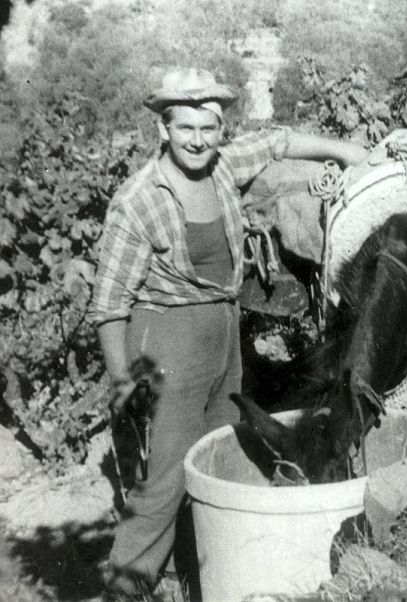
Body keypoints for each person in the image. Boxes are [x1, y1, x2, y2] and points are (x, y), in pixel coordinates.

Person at [87, 68, 368, 596]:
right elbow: (108, 306)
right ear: (163, 129)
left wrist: (348, 151)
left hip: (221, 333)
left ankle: (199, 569)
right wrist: (123, 384)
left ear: (220, 130)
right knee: (166, 475)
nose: (197, 140)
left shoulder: (221, 168)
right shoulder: (139, 200)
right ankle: (126, 584)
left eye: (207, 128)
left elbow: (277, 141)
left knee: (218, 454)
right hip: (167, 340)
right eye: (185, 128)